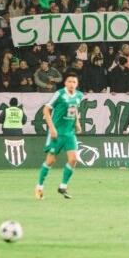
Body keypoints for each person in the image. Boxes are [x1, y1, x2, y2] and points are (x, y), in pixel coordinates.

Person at [35, 72, 84, 200]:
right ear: (65, 83)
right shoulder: (60, 94)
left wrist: (77, 123)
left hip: (69, 133)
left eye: (74, 82)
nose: (72, 84)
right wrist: (51, 128)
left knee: (73, 159)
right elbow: (46, 109)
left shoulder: (79, 95)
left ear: (77, 84)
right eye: (69, 82)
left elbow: (75, 108)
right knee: (50, 161)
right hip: (57, 133)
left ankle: (63, 186)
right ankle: (39, 187)